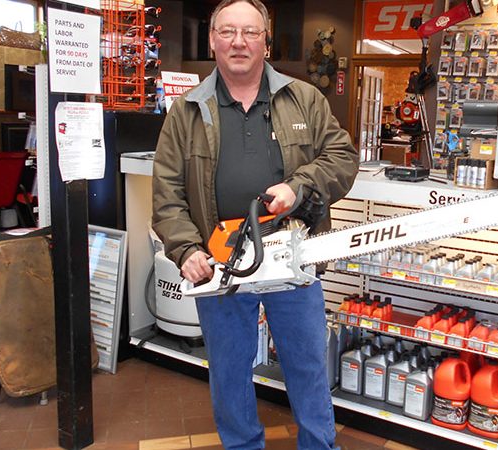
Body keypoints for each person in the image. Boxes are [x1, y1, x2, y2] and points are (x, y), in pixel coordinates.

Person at [151, 0, 359, 448]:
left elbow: (342, 158)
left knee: (306, 365)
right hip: (220, 261)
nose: (239, 42)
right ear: (212, 40)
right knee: (229, 370)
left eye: (250, 32)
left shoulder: (304, 98)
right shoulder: (186, 111)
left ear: (266, 40)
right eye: (227, 31)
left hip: (292, 253)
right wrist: (186, 249)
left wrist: (299, 187)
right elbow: (167, 193)